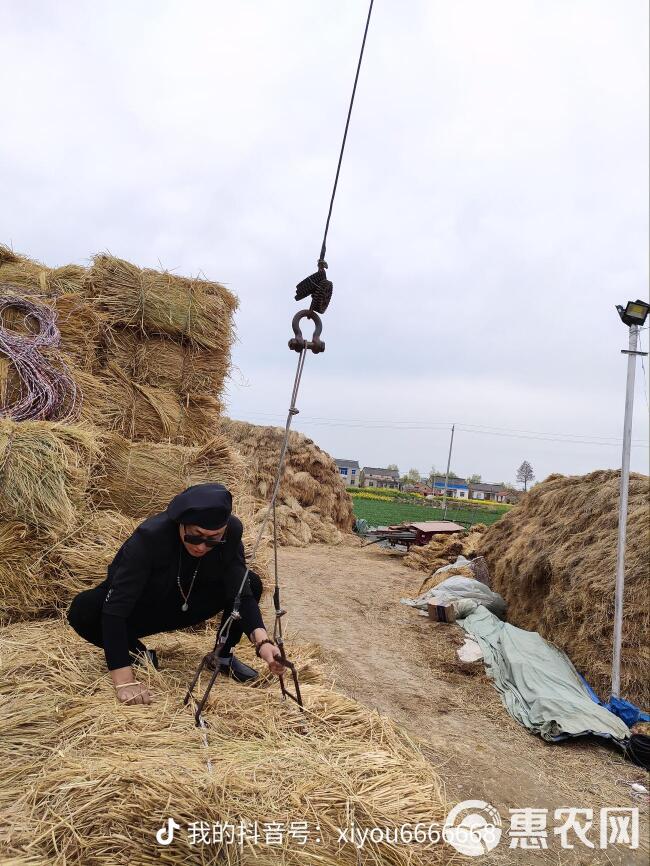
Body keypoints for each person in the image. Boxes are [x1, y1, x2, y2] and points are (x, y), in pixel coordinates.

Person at [67, 482, 283, 705]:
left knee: (251, 582)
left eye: (213, 538)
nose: (201, 547)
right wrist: (124, 681)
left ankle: (222, 656)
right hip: (141, 607)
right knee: (84, 608)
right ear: (181, 522)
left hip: (188, 603)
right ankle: (138, 654)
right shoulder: (148, 539)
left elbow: (242, 594)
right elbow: (115, 609)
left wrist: (263, 643)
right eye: (195, 536)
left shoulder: (232, 533)